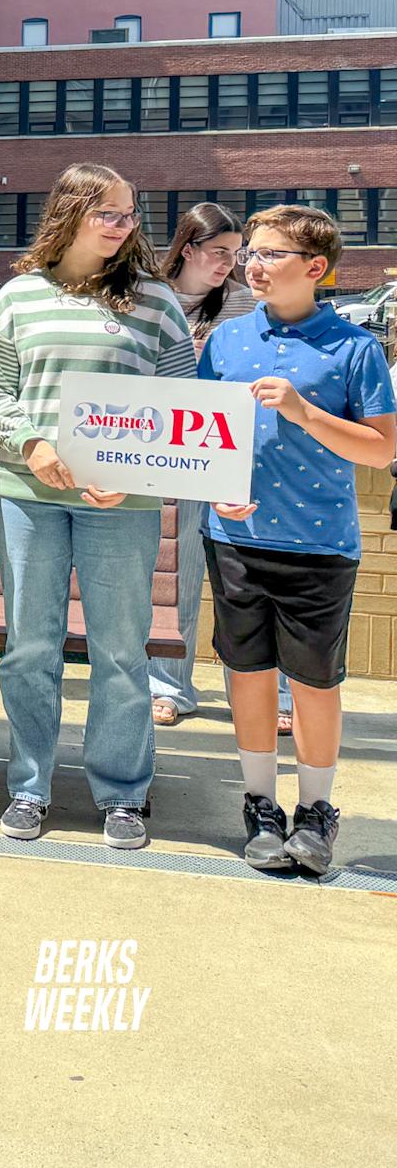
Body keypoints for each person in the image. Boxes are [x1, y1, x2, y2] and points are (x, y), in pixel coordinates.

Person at [0, 162, 197, 850]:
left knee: (121, 651)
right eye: (109, 213)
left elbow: (181, 405)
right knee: (30, 647)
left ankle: (122, 794)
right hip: (29, 496)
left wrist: (136, 472)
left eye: (130, 214)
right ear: (70, 213)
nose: (124, 225)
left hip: (124, 503)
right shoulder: (18, 296)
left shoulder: (155, 300)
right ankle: (29, 786)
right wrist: (32, 443)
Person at [196, 205, 396, 875]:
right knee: (248, 674)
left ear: (316, 267)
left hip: (319, 544)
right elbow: (201, 434)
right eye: (250, 252)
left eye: (269, 253)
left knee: (314, 682)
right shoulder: (226, 341)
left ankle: (315, 811)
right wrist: (214, 489)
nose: (253, 264)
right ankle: (260, 804)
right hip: (234, 537)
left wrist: (304, 411)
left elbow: (381, 449)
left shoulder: (355, 348)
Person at [148, 203, 258, 729]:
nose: (227, 264)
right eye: (218, 252)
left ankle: (264, 694)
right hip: (167, 449)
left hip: (229, 448)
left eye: (235, 254)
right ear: (188, 248)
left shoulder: (243, 302)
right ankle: (169, 686)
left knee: (246, 578)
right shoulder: (149, 295)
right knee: (177, 574)